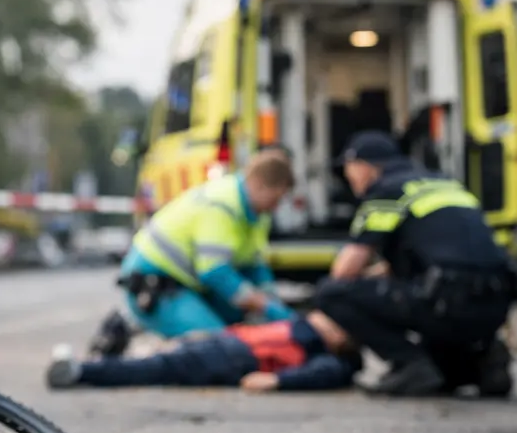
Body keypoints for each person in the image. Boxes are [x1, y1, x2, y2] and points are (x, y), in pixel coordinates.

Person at [316, 130, 515, 397]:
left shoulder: (387, 191)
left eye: (349, 169)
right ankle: (482, 361)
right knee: (444, 372)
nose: (349, 178)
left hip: (446, 301)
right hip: (495, 303)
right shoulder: (445, 184)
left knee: (332, 292)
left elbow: (344, 271)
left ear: (364, 166)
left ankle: (409, 364)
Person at [109, 150, 298, 349]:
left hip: (185, 284)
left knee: (241, 327)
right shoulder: (222, 205)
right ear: (259, 184)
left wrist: (274, 304)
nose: (276, 207)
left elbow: (254, 265)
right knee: (220, 348)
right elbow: (214, 272)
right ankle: (147, 345)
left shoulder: (256, 213)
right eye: (275, 199)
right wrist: (265, 306)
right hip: (155, 285)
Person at [46, 309, 361, 392]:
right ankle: (93, 363)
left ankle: (81, 370)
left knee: (157, 366)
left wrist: (277, 381)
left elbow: (325, 372)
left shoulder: (327, 356)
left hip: (232, 356)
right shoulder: (312, 333)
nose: (324, 319)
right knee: (158, 357)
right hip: (228, 342)